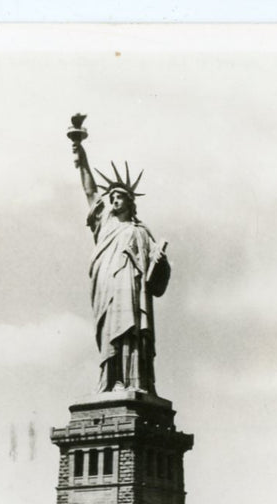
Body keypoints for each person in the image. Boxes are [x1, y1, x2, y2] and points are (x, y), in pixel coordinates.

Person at [72, 140, 170, 394]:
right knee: (111, 332)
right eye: (112, 197)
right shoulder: (105, 223)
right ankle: (111, 380)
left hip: (133, 291)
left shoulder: (141, 232)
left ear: (129, 201)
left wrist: (160, 262)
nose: (114, 201)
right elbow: (90, 190)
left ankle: (136, 382)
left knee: (133, 332)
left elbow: (156, 278)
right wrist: (78, 149)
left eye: (119, 197)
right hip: (108, 286)